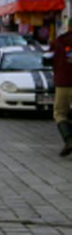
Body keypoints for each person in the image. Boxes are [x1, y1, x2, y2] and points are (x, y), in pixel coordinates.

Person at [53, 22, 72, 158]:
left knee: (60, 113)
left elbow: (51, 58)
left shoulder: (60, 41)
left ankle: (69, 139)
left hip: (63, 83)